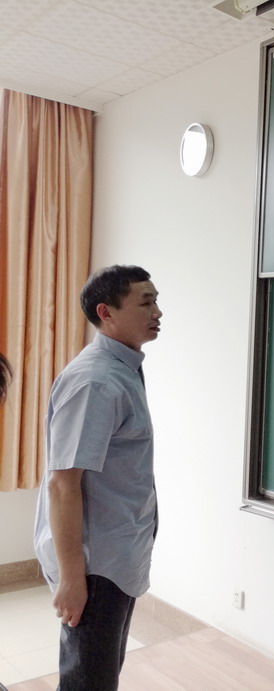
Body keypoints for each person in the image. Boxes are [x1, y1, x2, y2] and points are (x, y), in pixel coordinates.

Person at [34, 265, 162, 690]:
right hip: (95, 565)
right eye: (146, 302)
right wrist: (73, 579)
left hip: (115, 556)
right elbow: (62, 483)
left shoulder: (122, 368)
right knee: (88, 681)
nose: (157, 312)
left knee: (100, 675)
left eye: (156, 301)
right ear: (106, 312)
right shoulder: (96, 381)